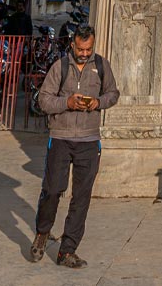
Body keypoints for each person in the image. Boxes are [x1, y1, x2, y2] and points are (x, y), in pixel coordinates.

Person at [26, 24, 118, 269]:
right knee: (53, 189)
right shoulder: (60, 67)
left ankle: (67, 250)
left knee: (81, 197)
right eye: (80, 48)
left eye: (88, 49)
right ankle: (43, 232)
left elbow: (113, 94)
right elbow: (43, 100)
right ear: (72, 44)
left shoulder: (101, 66)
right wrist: (66, 102)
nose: (84, 53)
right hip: (61, 137)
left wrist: (97, 102)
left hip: (89, 140)